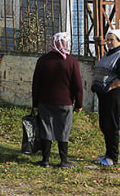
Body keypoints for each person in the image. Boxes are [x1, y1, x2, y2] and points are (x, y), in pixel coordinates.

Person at [31, 32, 83, 168]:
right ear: (66, 43)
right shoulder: (71, 61)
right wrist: (79, 104)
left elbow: (36, 84)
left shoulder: (43, 60)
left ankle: (45, 160)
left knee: (46, 130)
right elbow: (78, 85)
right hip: (65, 103)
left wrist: (35, 103)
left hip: (45, 102)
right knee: (64, 130)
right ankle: (63, 160)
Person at [91, 28, 120, 167]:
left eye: (111, 40)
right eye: (107, 39)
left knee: (112, 126)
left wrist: (109, 88)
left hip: (114, 95)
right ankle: (107, 154)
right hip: (104, 95)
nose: (108, 42)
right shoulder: (109, 53)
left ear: (119, 41)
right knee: (104, 124)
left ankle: (113, 158)